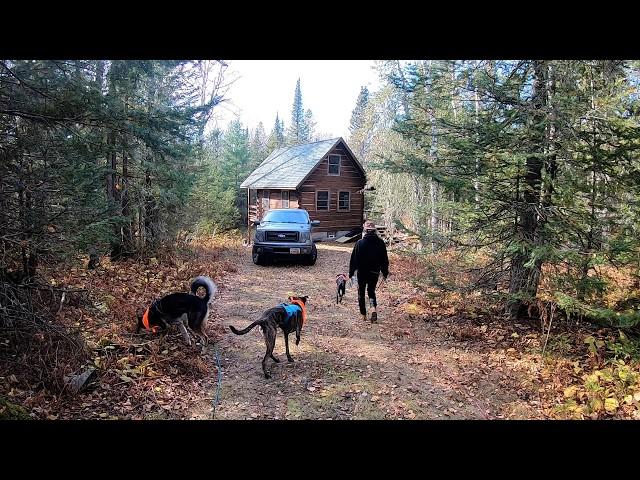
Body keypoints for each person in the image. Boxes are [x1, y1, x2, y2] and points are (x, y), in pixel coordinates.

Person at [349, 220, 389, 323]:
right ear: (374, 230)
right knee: (371, 292)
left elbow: (354, 259)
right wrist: (385, 273)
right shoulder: (380, 243)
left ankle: (363, 315)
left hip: (362, 273)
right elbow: (384, 259)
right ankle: (373, 309)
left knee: (361, 293)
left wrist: (351, 273)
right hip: (374, 272)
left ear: (365, 231)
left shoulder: (359, 243)